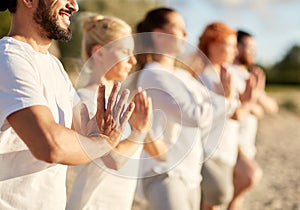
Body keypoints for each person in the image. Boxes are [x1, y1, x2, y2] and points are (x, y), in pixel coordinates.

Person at [0, 1, 134, 209]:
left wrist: (99, 134)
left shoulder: (54, 67)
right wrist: (103, 142)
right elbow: (51, 145)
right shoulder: (9, 59)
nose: (75, 5)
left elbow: (84, 134)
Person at [135, 8, 230, 210]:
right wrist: (224, 99)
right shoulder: (153, 75)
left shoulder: (184, 76)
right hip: (165, 173)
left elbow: (214, 113)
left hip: (190, 173)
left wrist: (225, 100)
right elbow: (195, 115)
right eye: (179, 28)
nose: (186, 34)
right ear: (158, 35)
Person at [66, 14, 160, 210]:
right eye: (126, 52)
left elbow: (161, 154)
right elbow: (114, 160)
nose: (133, 60)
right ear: (99, 53)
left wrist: (144, 124)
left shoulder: (121, 103)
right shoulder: (85, 100)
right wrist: (139, 131)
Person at [197, 22, 258, 210]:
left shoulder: (225, 73)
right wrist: (248, 102)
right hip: (211, 151)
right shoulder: (205, 77)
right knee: (215, 199)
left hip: (227, 149)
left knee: (216, 200)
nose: (235, 50)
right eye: (230, 45)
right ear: (214, 45)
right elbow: (232, 114)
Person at [227, 30, 278, 210]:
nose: (253, 52)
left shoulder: (249, 76)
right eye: (249, 47)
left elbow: (270, 107)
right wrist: (254, 103)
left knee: (235, 196)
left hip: (247, 143)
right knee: (250, 176)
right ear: (237, 47)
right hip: (232, 143)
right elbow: (239, 108)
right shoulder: (229, 73)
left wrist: (255, 98)